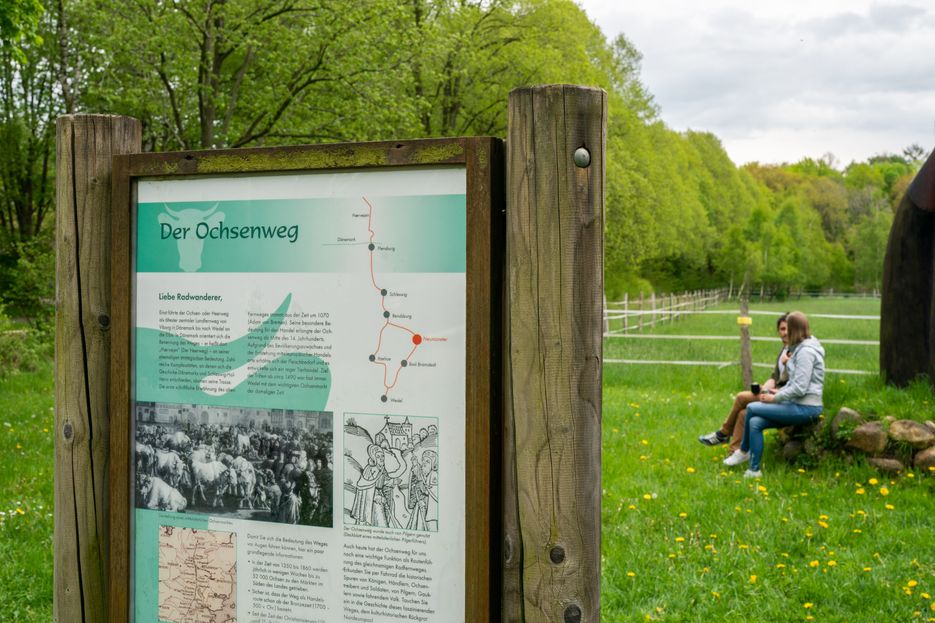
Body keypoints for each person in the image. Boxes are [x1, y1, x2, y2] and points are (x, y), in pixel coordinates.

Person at [732, 311, 825, 478]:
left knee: (752, 408)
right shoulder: (799, 349)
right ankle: (754, 470)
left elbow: (800, 389)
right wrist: (779, 390)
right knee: (755, 422)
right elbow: (795, 382)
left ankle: (743, 451)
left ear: (794, 329)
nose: (785, 332)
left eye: (787, 328)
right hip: (796, 403)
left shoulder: (805, 352)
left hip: (807, 407)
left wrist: (774, 398)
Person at [698, 313, 791, 465]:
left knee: (742, 397)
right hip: (773, 392)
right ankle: (733, 453)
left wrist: (776, 392)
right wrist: (765, 387)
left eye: (787, 328)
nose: (784, 332)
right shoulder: (784, 350)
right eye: (781, 329)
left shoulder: (797, 352)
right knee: (743, 414)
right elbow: (775, 376)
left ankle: (723, 433)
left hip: (783, 398)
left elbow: (797, 383)